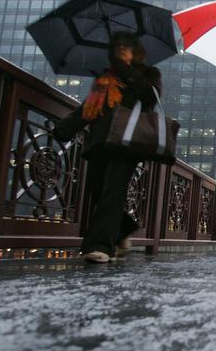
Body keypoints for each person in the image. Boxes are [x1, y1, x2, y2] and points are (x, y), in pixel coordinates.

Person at [53, 31, 161, 263]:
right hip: (100, 143)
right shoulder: (105, 79)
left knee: (113, 190)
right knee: (97, 190)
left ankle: (101, 246)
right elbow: (88, 109)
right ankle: (122, 230)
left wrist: (125, 69)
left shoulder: (149, 74)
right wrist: (65, 128)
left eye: (127, 46)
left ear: (137, 50)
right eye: (118, 46)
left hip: (127, 144)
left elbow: (150, 97)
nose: (122, 49)